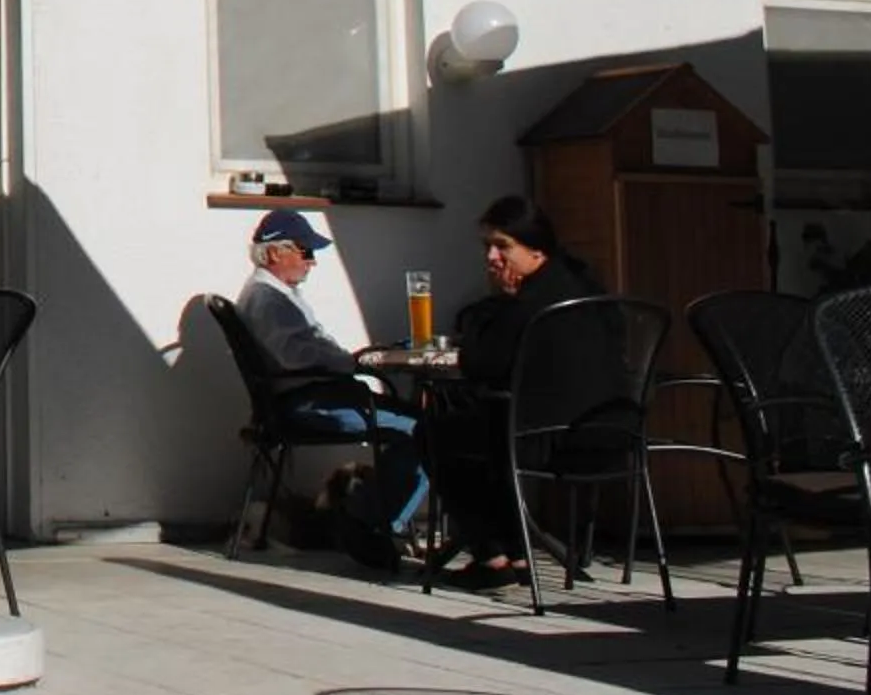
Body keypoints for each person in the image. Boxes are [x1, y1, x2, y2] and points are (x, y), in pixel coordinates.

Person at [431, 194, 609, 587]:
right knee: (487, 426)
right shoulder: (584, 285)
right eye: (487, 247)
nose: (492, 257)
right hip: (609, 433)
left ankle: (493, 555)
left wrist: (500, 303)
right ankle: (518, 553)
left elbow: (479, 363)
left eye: (502, 246)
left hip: (545, 438)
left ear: (536, 250)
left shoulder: (533, 300)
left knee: (436, 433)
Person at [235, 209, 426, 567]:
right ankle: (371, 520)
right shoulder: (269, 299)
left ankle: (370, 515)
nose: (312, 263)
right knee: (423, 428)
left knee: (416, 422)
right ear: (276, 253)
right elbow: (296, 355)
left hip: (306, 396)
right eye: (306, 252)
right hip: (307, 401)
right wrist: (349, 362)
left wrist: (349, 359)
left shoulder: (272, 294)